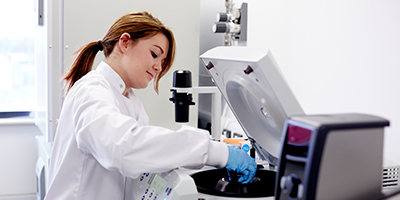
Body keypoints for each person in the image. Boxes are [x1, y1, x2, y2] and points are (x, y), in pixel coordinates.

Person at [44, 11, 256, 200]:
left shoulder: (129, 99)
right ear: (125, 43)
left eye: (163, 61)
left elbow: (147, 151)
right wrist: (214, 151)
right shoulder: (92, 91)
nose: (158, 67)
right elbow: (123, 148)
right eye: (155, 54)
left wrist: (211, 160)